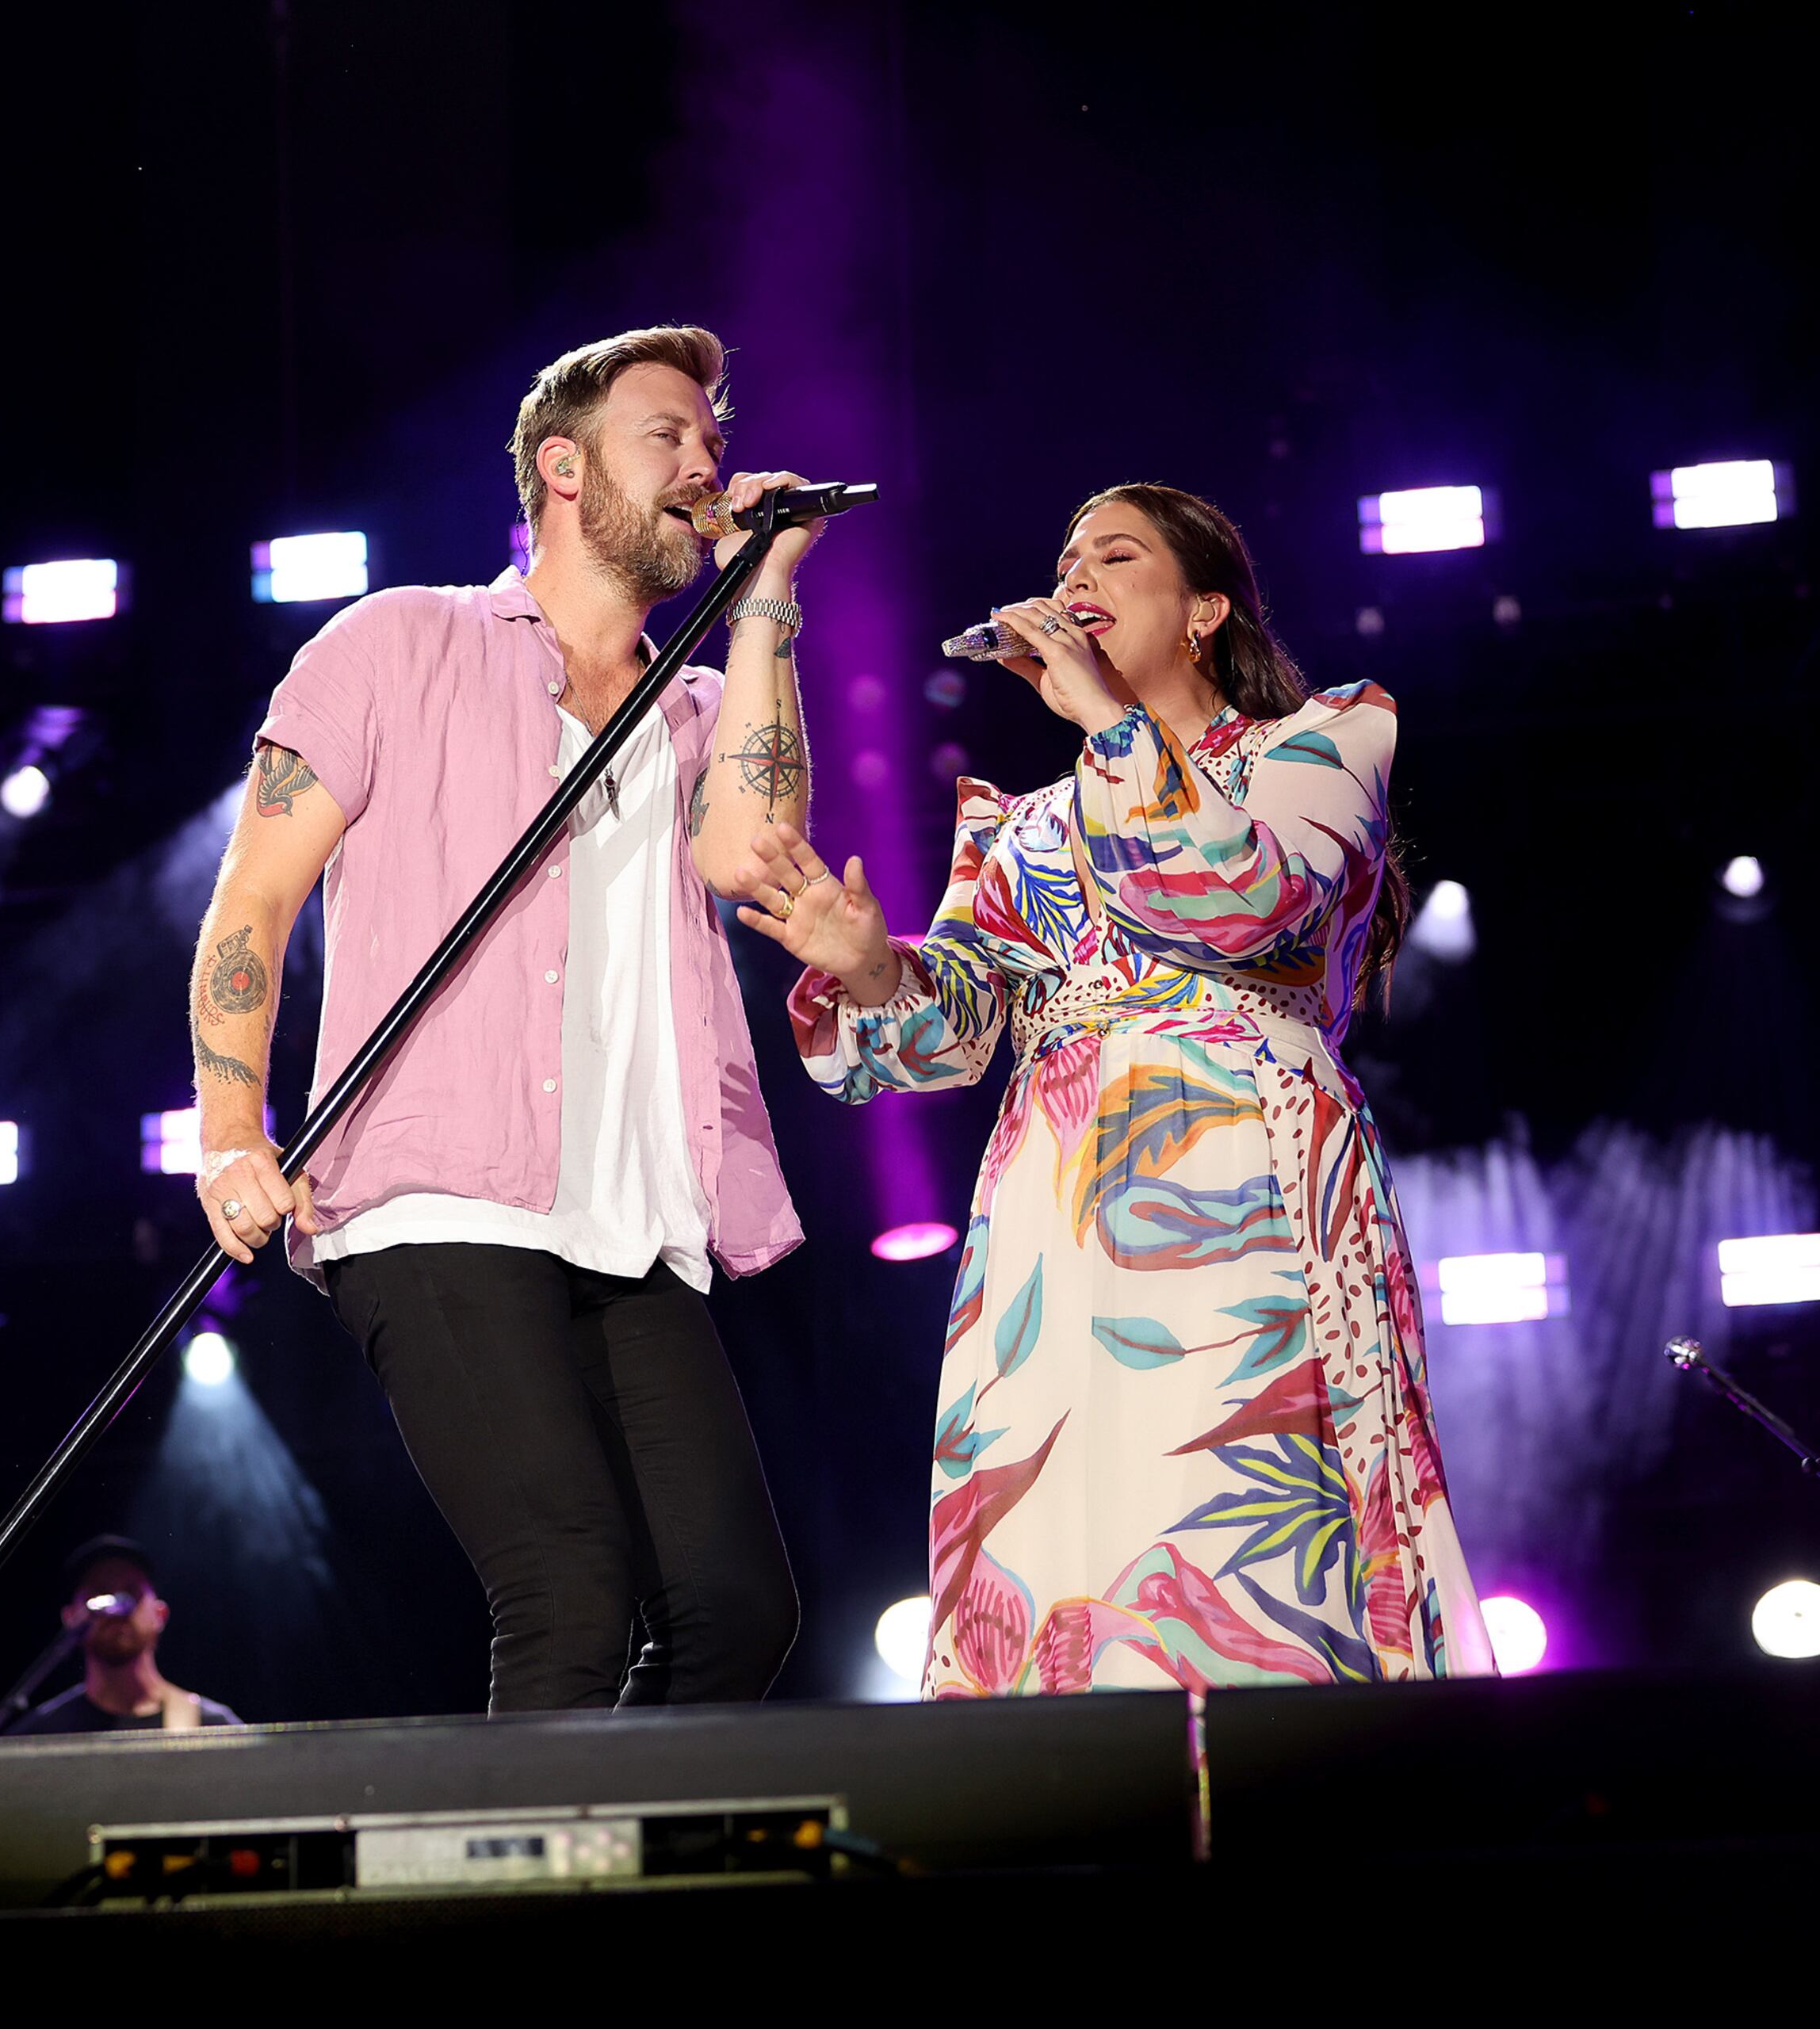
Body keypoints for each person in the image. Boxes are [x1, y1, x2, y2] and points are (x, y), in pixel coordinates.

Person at [737, 483, 1494, 1695]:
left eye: (1115, 554)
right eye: (1064, 555)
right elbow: (944, 1036)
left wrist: (1107, 721)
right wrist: (872, 967)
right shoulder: (1020, 827)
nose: (1075, 575)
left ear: (1204, 611)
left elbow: (1249, 903)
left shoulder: (1322, 744)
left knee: (1227, 1497)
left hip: (1238, 1162)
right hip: (1056, 1200)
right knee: (1062, 1514)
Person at [182, 326, 822, 1712]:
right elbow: (252, 905)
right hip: (435, 1199)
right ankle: (528, 1903)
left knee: (736, 1608)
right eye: (670, 434)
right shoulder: (396, 641)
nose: (706, 461)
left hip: (635, 1212)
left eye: (714, 436)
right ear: (562, 466)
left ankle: (622, 1886)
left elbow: (755, 858)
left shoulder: (702, 704)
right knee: (569, 1589)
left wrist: (767, 596)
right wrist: (231, 1130)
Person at [3, 1538, 244, 1735]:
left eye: (131, 1593)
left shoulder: (212, 1726)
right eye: (99, 1594)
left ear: (160, 1614)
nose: (117, 1608)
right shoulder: (41, 1735)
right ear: (71, 1617)